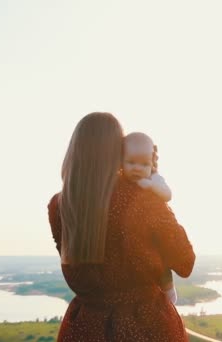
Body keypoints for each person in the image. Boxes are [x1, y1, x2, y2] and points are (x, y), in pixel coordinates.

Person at [47, 112, 195, 341]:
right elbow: (185, 262)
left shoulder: (59, 206)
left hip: (83, 329)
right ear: (118, 152)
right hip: (147, 328)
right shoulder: (142, 198)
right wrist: (153, 179)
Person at [122, 132, 177, 304]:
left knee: (160, 261)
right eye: (131, 163)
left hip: (153, 232)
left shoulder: (154, 179)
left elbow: (168, 194)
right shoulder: (119, 181)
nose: (137, 168)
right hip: (131, 237)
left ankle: (168, 291)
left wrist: (151, 186)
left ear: (152, 165)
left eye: (144, 164)